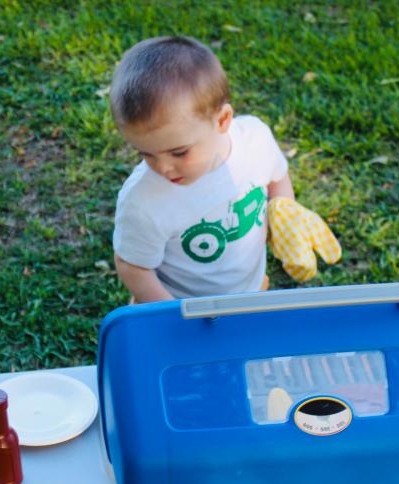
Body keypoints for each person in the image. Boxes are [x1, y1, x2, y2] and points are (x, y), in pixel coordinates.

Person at [110, 36, 295, 303]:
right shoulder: (143, 201)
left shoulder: (256, 141)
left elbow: (277, 177)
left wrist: (285, 214)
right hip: (177, 304)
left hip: (251, 290)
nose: (162, 167)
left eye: (179, 152)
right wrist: (175, 313)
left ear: (222, 120)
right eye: (146, 154)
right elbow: (133, 266)